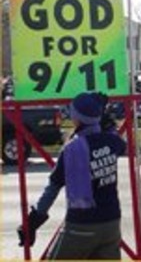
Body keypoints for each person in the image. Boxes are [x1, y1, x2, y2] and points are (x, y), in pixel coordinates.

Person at [17, 92, 126, 259]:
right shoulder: (112, 141)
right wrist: (104, 121)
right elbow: (119, 142)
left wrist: (33, 221)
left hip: (82, 225)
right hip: (111, 224)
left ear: (77, 118)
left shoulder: (72, 149)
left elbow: (53, 188)